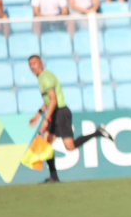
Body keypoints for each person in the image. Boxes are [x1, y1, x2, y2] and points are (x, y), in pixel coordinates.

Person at [27, 55, 114, 183]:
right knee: (46, 143)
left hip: (61, 113)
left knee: (70, 147)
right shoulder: (42, 78)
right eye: (30, 64)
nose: (32, 67)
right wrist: (38, 115)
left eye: (34, 63)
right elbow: (47, 101)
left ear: (41, 63)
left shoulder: (45, 78)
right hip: (55, 113)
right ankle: (54, 177)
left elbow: (53, 100)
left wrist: (45, 120)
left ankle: (98, 132)